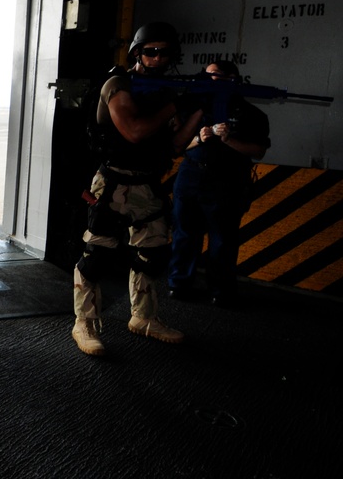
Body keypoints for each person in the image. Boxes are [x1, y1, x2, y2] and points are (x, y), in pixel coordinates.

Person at [72, 21, 203, 356]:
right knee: (95, 256)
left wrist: (200, 110)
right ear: (136, 54)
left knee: (153, 253)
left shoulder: (161, 92)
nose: (158, 58)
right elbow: (133, 131)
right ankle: (83, 324)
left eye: (165, 53)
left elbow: (174, 145)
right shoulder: (118, 84)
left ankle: (143, 318)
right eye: (151, 51)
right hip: (114, 181)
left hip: (147, 183)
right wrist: (176, 104)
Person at [167, 60, 270, 307]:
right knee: (184, 235)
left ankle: (220, 290)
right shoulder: (194, 107)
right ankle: (179, 284)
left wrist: (227, 140)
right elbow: (176, 146)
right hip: (191, 176)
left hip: (227, 181)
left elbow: (258, 151)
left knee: (222, 241)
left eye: (212, 75)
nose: (206, 78)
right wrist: (199, 139)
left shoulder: (251, 114)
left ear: (231, 78)